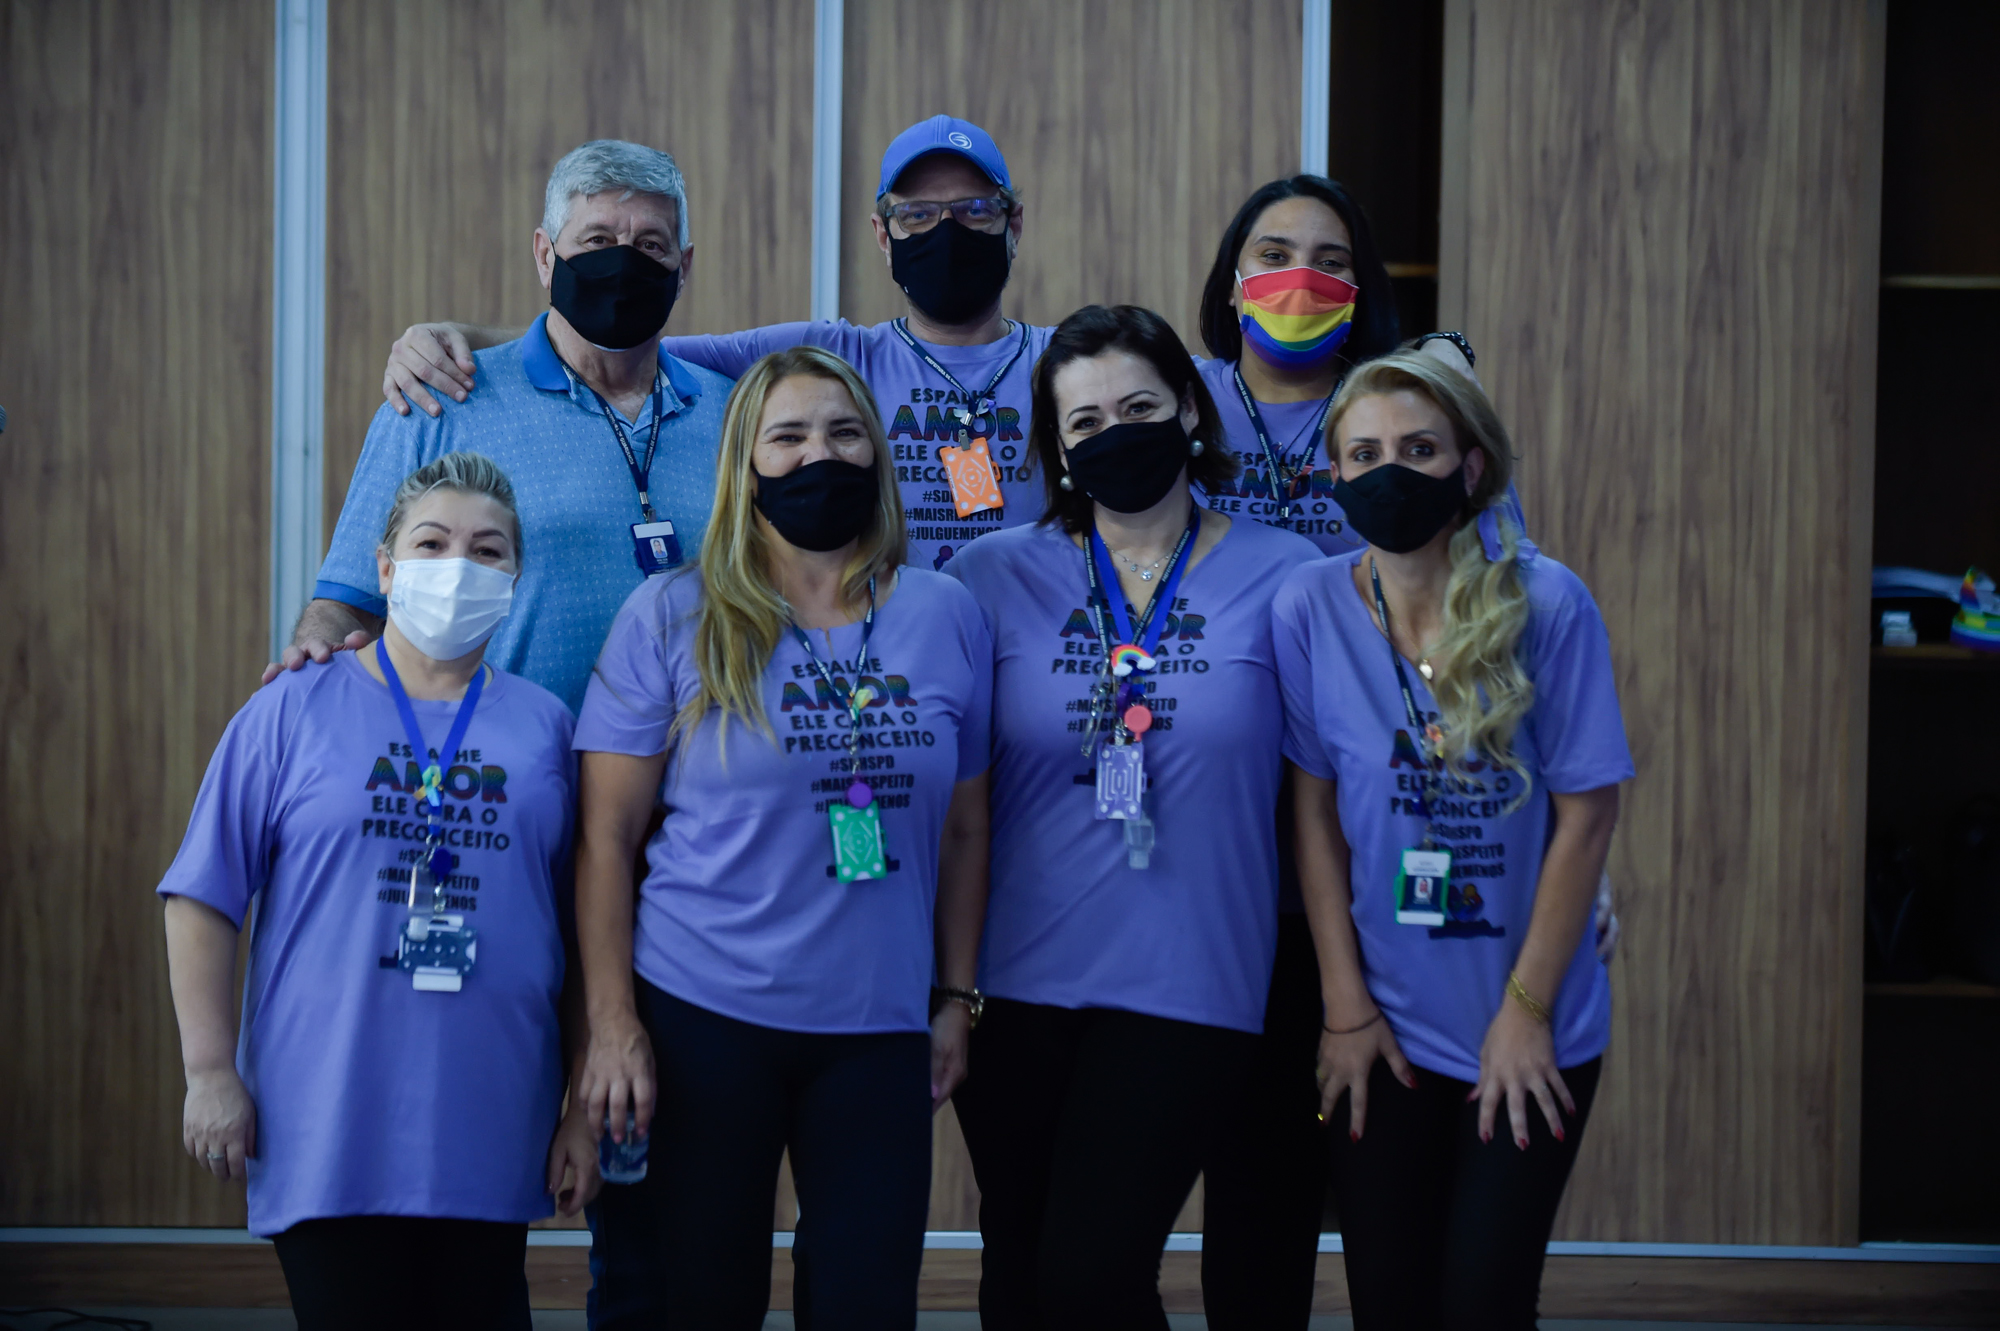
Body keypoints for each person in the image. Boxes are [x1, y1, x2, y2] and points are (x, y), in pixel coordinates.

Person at [569, 346, 993, 1328]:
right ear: (745, 464)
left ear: (877, 452)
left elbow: (969, 827)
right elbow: (605, 839)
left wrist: (955, 997)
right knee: (700, 1303)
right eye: (788, 436)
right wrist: (613, 1023)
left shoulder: (947, 612)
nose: (819, 456)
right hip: (701, 1015)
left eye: (844, 433)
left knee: (864, 1304)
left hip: (878, 1026)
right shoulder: (671, 613)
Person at [942, 304, 1319, 1329]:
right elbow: (947, 787)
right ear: (1056, 449)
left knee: (1091, 1276)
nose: (1115, 433)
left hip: (1191, 980)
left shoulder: (1290, 576)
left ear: (1190, 410)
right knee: (1019, 1271)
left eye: (1140, 407)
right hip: (1012, 983)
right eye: (1085, 421)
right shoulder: (985, 576)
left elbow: (1347, 774)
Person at [160, 453, 594, 1330]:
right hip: (326, 1124)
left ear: (514, 578)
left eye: (488, 550)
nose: (458, 566)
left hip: (490, 1118)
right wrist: (209, 1071)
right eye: (432, 544)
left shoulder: (547, 725)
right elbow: (203, 894)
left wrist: (581, 1107)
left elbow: (586, 934)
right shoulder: (292, 707)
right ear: (386, 568)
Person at [1273, 353, 1632, 1328]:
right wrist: (1344, 1006)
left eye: (1419, 448)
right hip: (1384, 1029)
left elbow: (1587, 815)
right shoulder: (1309, 606)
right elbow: (1312, 814)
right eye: (1364, 454)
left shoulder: (1547, 603)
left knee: (1484, 1302)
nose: (1389, 470)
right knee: (1389, 1301)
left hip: (1527, 1022)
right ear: (1333, 475)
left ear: (1469, 467)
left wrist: (1525, 1012)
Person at [379, 115, 1053, 572]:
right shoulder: (832, 358)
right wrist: (467, 340)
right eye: (917, 214)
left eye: (975, 210)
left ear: (1013, 223)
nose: (947, 232)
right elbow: (624, 341)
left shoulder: (1065, 362)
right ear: (884, 234)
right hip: (905, 648)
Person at [271, 139, 733, 711]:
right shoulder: (439, 400)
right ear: (545, 256)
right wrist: (313, 667)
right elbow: (351, 603)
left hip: (707, 762)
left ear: (683, 268)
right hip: (502, 761)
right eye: (597, 240)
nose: (623, 263)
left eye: (650, 245)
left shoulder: (740, 415)